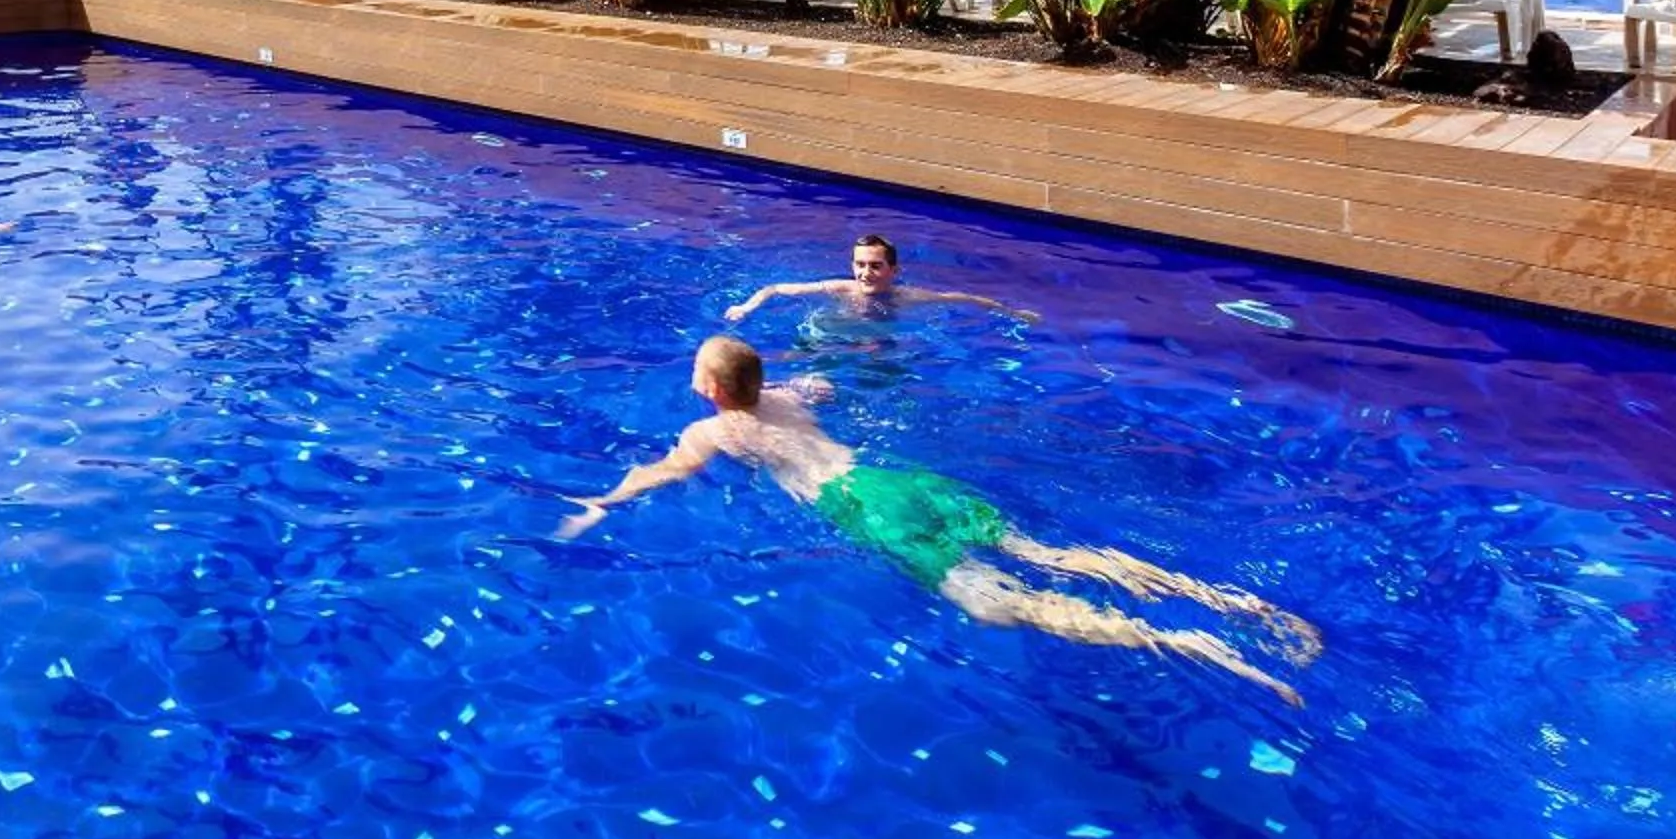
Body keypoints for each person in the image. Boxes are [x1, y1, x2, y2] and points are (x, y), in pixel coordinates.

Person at [558, 336, 1318, 705]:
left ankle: (1180, 640)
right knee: (1048, 551)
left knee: (997, 605)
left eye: (699, 374)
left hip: (861, 507)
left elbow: (662, 471)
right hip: (902, 478)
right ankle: (1228, 600)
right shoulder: (784, 393)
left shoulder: (716, 430)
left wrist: (602, 503)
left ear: (715, 391)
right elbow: (819, 382)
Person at [726, 234, 1032, 325]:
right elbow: (775, 288)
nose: (865, 273)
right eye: (860, 265)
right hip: (833, 334)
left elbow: (964, 298)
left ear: (893, 271)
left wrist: (1014, 314)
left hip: (876, 340)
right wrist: (746, 307)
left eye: (875, 266)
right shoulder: (838, 287)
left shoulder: (907, 297)